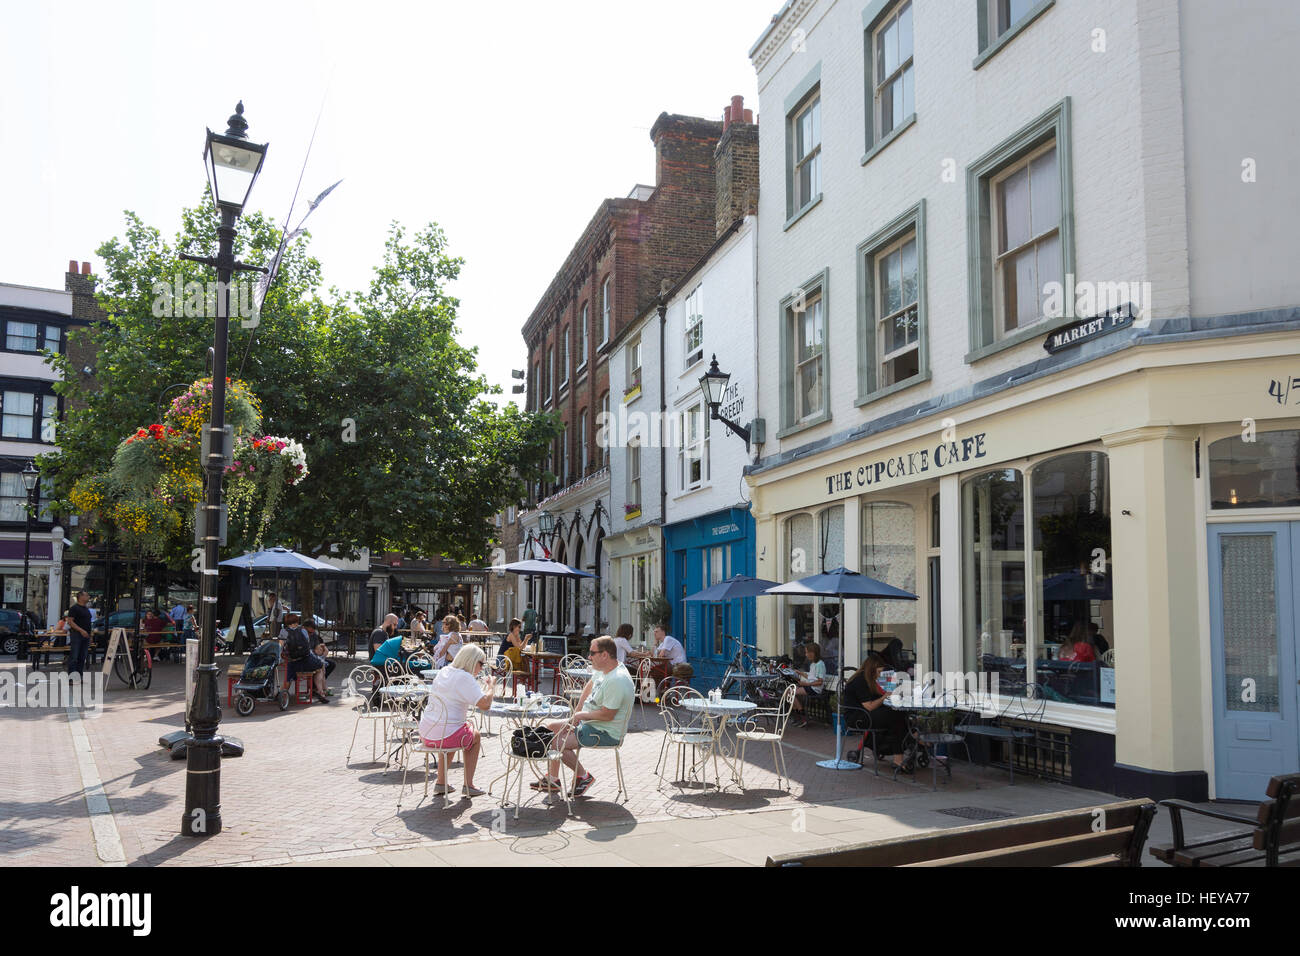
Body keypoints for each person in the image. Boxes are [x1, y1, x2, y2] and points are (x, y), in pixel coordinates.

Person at [535, 636, 635, 796]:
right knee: (549, 728)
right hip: (591, 723)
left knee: (555, 742)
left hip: (606, 732)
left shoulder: (617, 680)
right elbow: (589, 686)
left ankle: (583, 776)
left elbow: (607, 715)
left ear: (604, 655)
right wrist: (577, 713)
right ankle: (553, 779)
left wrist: (581, 715)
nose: (589, 657)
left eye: (592, 653)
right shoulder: (604, 670)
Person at [418, 644, 496, 796]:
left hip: (427, 732)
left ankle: (441, 782)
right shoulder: (464, 677)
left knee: (456, 730)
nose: (481, 668)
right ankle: (468, 785)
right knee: (474, 736)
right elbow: (485, 704)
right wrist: (491, 687)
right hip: (445, 734)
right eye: (481, 664)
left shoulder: (445, 671)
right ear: (472, 661)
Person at [841, 653, 911, 772]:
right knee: (895, 715)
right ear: (871, 670)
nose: (879, 675)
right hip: (857, 717)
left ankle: (906, 743)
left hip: (866, 714)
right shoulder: (860, 681)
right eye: (878, 672)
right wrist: (885, 696)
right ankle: (899, 756)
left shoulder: (869, 680)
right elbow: (869, 706)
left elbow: (877, 699)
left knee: (898, 713)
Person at [281, 613, 329, 703]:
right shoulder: (302, 631)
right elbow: (307, 646)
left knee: (288, 678)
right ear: (297, 621)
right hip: (306, 661)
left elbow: (281, 647)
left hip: (292, 662)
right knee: (320, 666)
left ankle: (282, 696)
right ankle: (321, 691)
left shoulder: (283, 632)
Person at [791, 641, 826, 728]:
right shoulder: (814, 664)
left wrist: (806, 684)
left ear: (813, 653)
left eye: (807, 652)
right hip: (810, 686)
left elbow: (820, 681)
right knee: (790, 693)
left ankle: (802, 717)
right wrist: (800, 673)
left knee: (790, 693)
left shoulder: (820, 665)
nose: (806, 654)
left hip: (814, 689)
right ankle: (799, 716)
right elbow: (810, 677)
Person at [66, 590, 94, 675]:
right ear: (81, 597)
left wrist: (90, 635)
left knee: (82, 657)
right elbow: (70, 621)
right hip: (77, 635)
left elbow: (89, 622)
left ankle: (79, 675)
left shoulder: (86, 609)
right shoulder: (74, 608)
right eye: (86, 595)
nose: (88, 597)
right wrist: (81, 630)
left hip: (86, 635)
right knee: (74, 656)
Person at [305, 618, 335, 683]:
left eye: (312, 632)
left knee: (331, 664)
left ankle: (318, 684)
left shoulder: (314, 635)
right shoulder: (301, 635)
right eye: (309, 632)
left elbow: (317, 647)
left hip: (314, 656)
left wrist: (322, 649)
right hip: (306, 658)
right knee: (320, 665)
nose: (310, 634)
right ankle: (319, 687)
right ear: (304, 628)